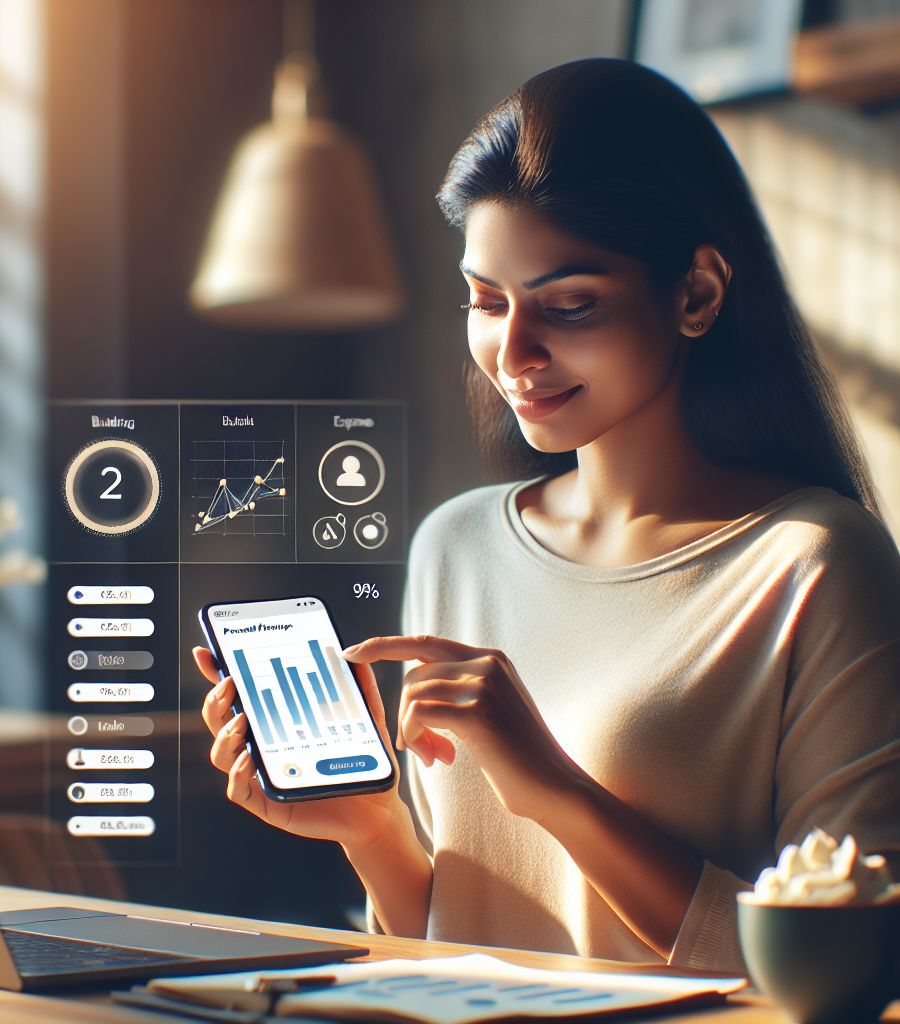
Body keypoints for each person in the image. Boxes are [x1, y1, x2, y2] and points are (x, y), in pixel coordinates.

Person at [194, 59, 900, 973]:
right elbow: (454, 941)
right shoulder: (458, 545)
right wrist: (370, 832)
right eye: (487, 301)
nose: (515, 351)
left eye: (568, 305)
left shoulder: (814, 562)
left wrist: (554, 791)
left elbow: (862, 965)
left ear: (697, 293)